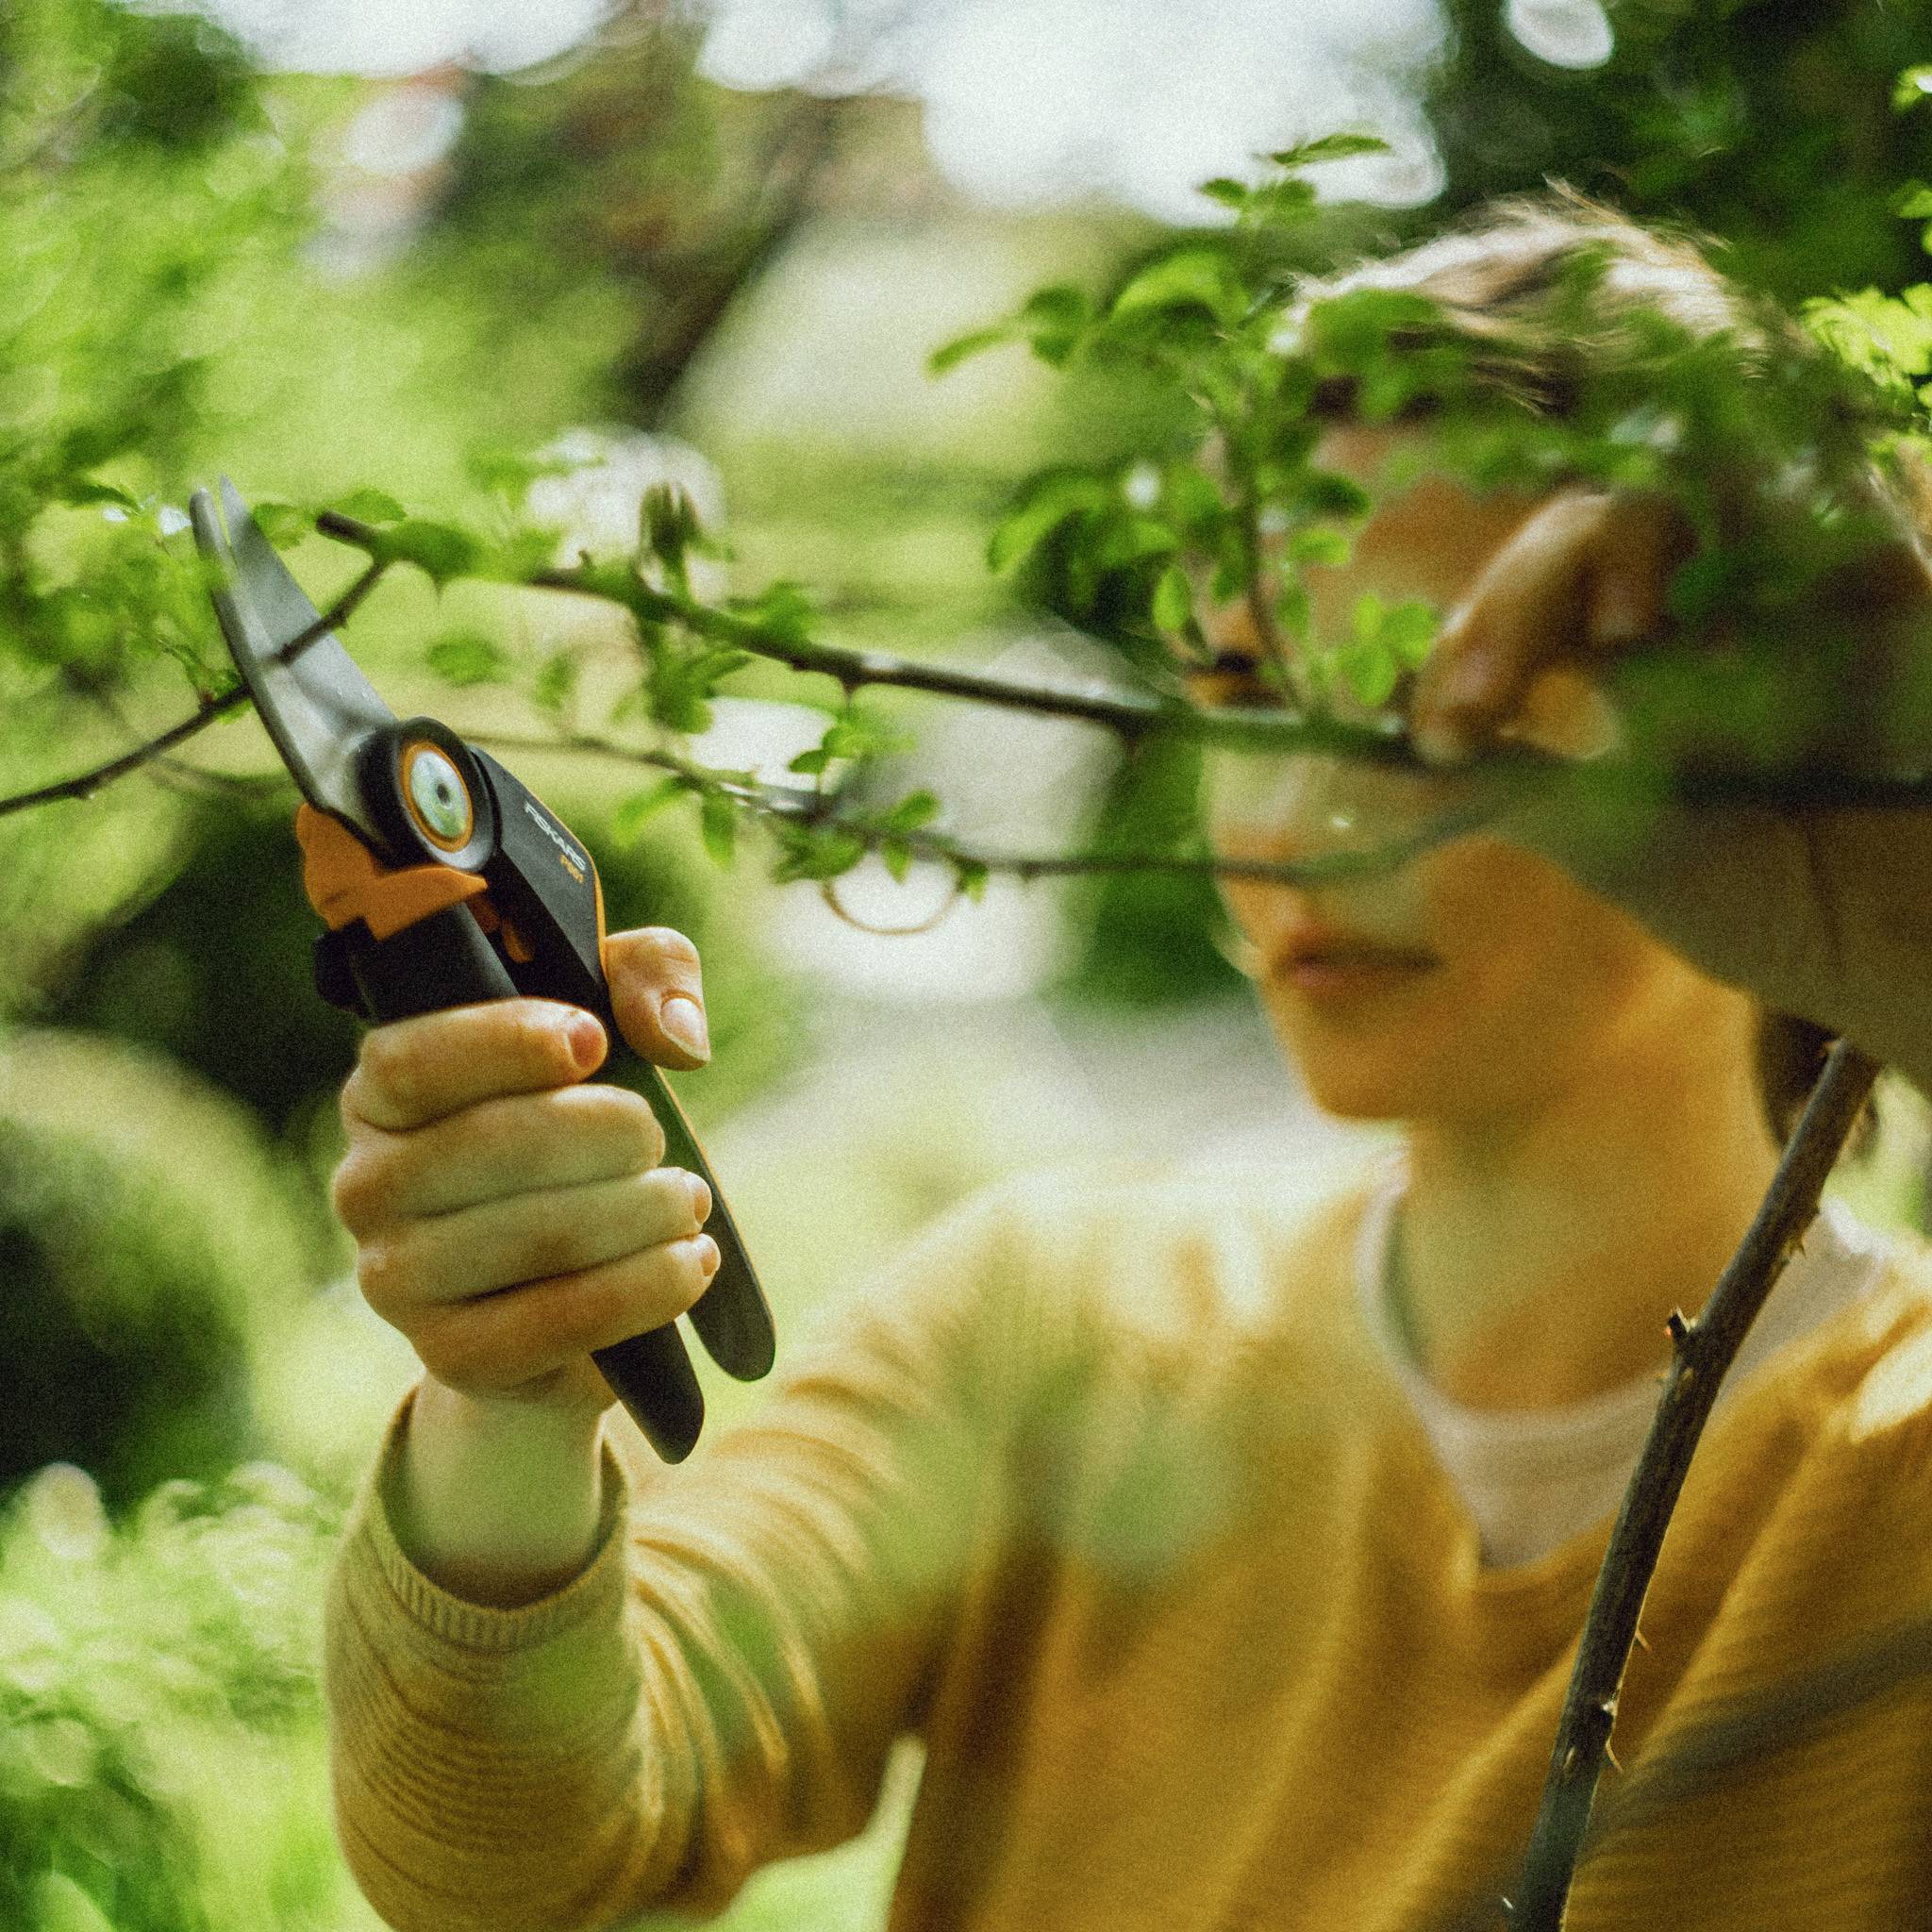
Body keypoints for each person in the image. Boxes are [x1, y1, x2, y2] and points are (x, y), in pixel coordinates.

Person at [321, 191, 1932, 1932]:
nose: (1291, 816)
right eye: (1244, 683)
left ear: (1781, 734)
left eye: (1436, 693)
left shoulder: (1893, 1495)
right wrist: (510, 1401)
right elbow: (527, 1856)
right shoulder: (1059, 1333)